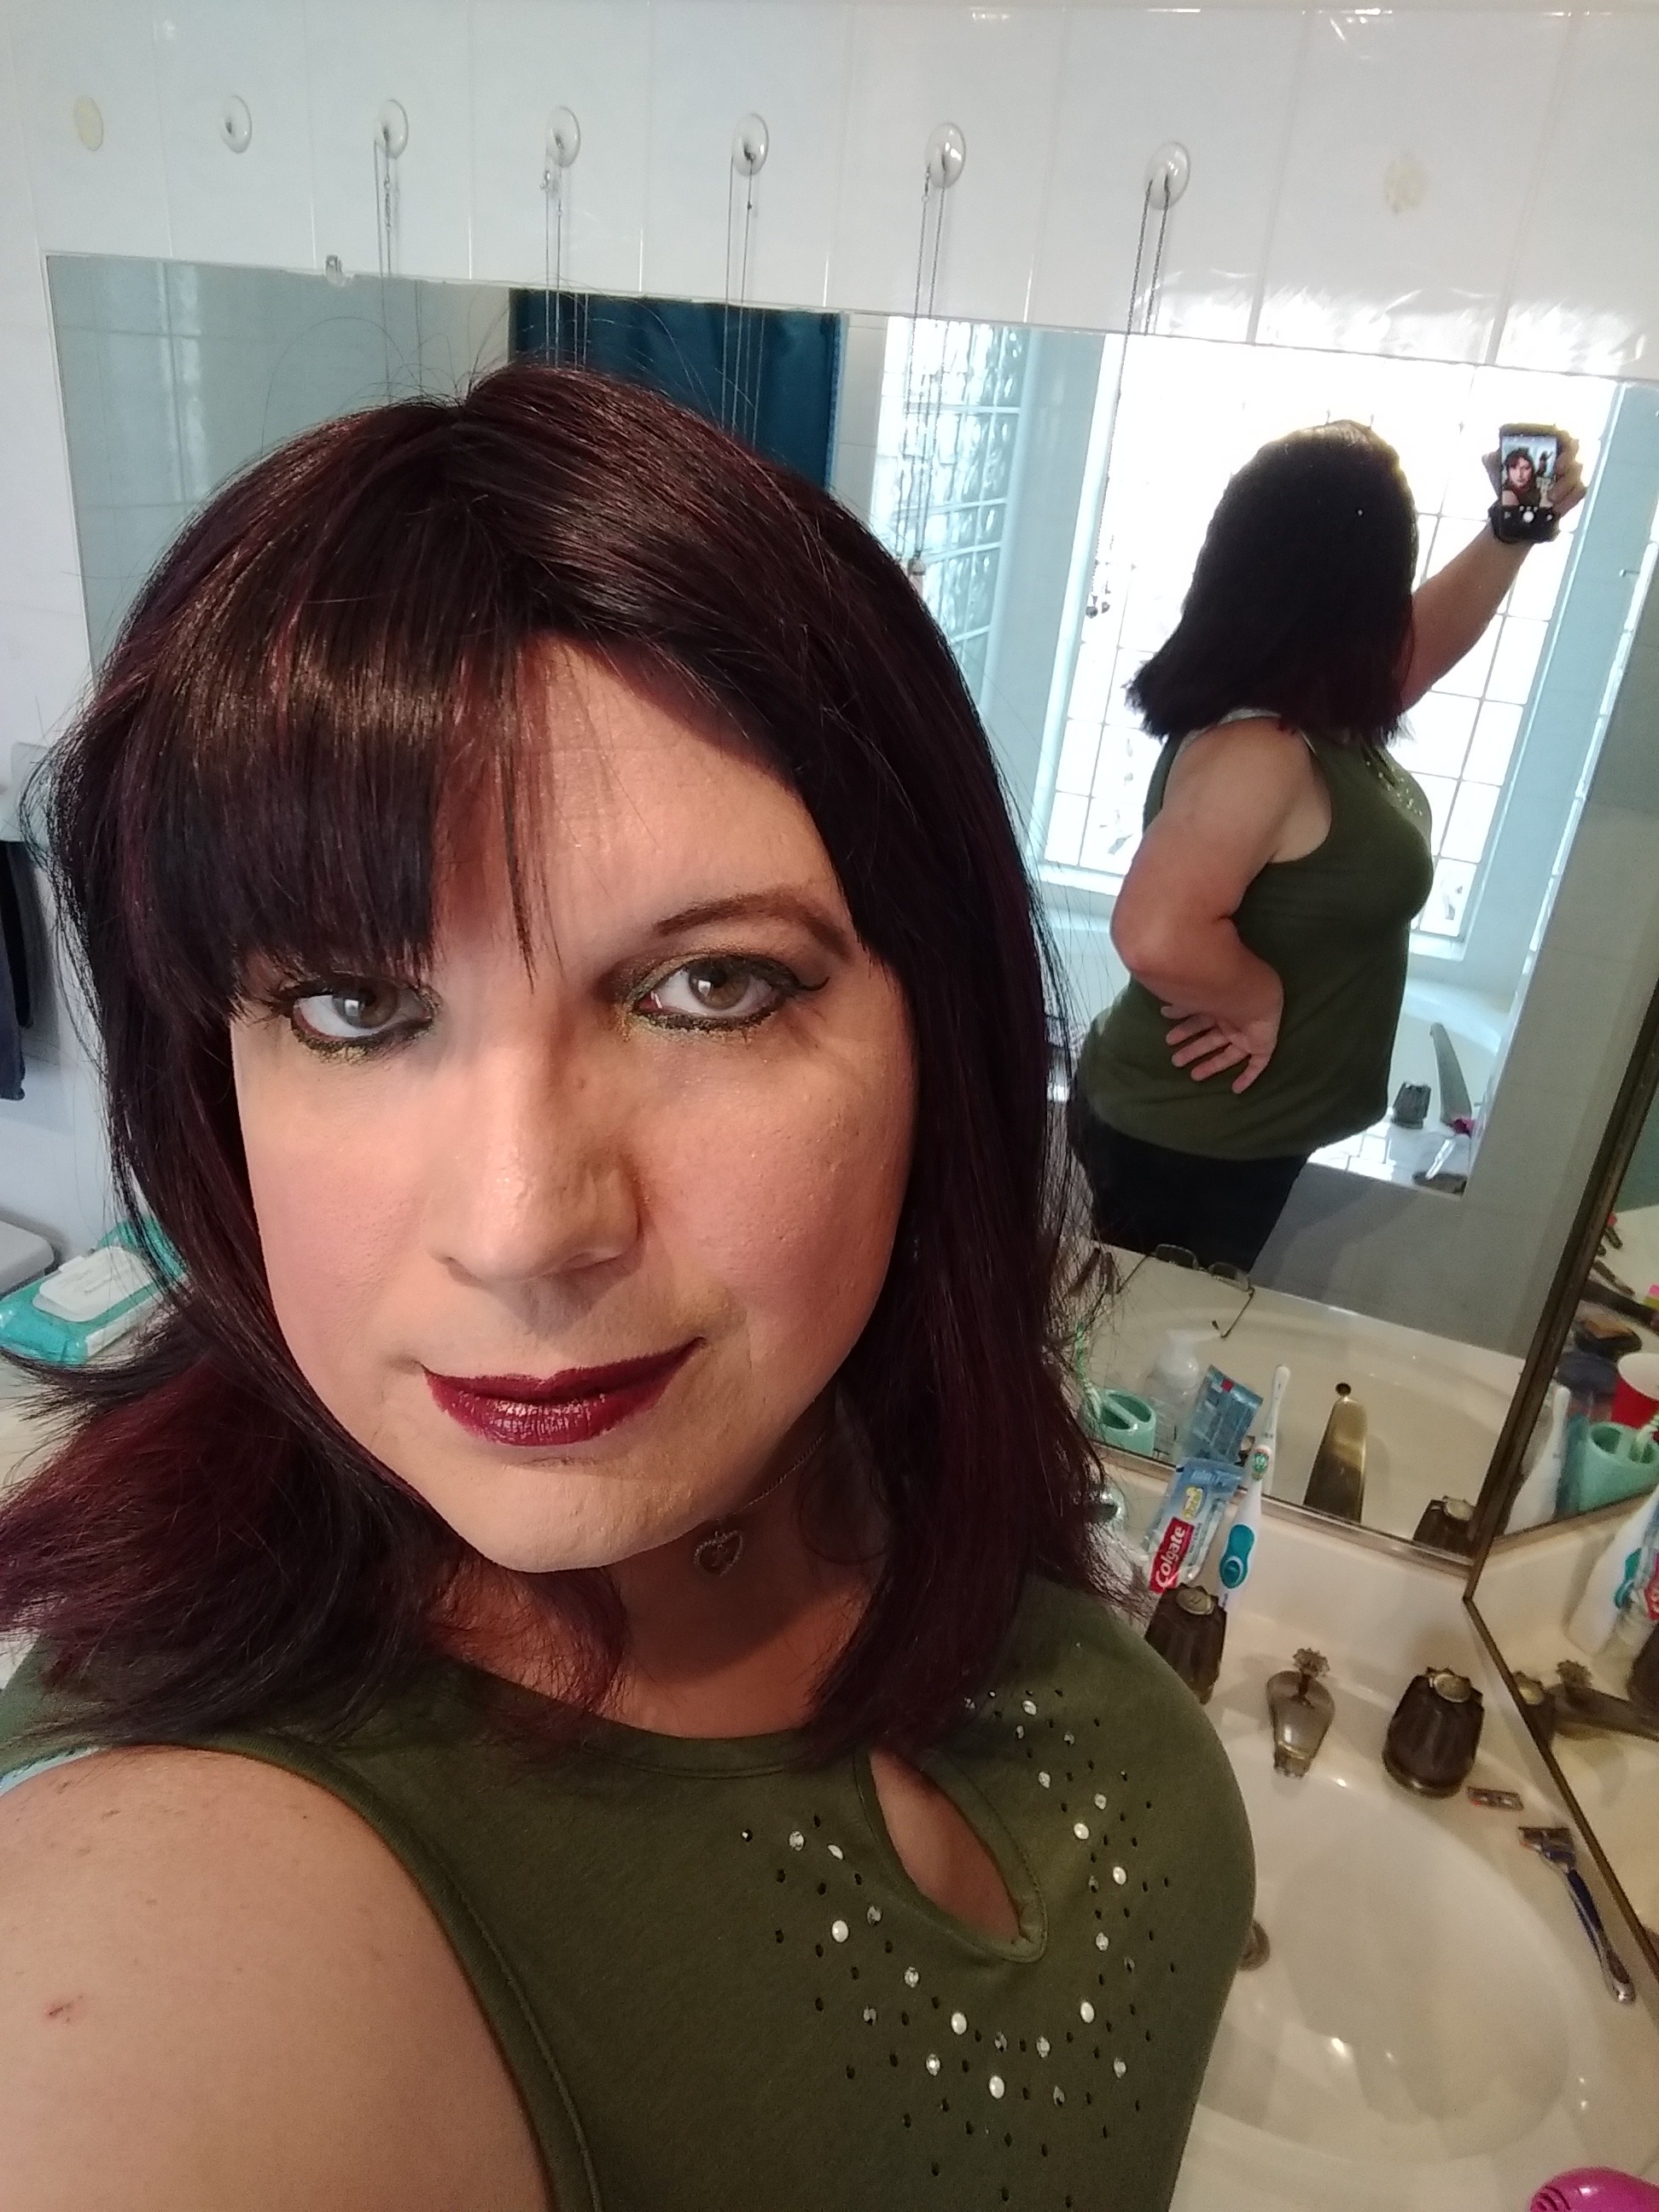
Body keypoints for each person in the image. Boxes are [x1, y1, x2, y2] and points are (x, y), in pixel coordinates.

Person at [0, 364, 1252, 2212]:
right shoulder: (176, 1897)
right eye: (355, 1005)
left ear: (942, 1038)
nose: (524, 1227)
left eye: (709, 988)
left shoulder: (909, 1507)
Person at [1070, 418, 1584, 1272]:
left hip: (1225, 1135)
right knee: (1145, 1345)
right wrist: (1257, 999)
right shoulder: (1259, 752)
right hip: (1189, 1143)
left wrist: (1511, 533)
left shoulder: (1320, 703)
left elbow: (1426, 644)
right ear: (1351, 590)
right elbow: (1155, 933)